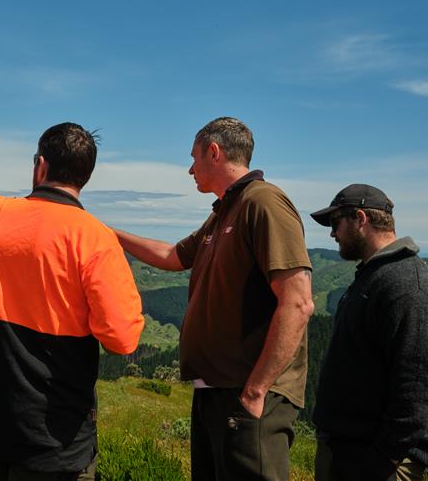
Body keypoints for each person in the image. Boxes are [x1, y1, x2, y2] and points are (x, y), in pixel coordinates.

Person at [0, 122, 144, 481]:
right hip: (54, 439)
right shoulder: (97, 240)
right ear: (85, 176)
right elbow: (121, 341)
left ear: (40, 166)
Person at [114, 116, 315, 480]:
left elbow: (298, 302)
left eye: (193, 158)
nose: (190, 169)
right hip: (215, 392)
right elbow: (172, 255)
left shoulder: (264, 203)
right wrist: (107, 235)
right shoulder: (224, 211)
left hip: (248, 394)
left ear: (214, 152)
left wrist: (255, 391)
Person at [310, 184, 428, 481]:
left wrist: (382, 460)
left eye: (335, 222)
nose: (332, 233)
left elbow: (418, 385)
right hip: (349, 449)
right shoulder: (375, 274)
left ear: (360, 219)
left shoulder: (406, 284)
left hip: (376, 461)